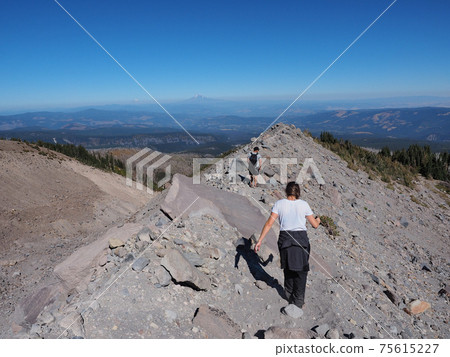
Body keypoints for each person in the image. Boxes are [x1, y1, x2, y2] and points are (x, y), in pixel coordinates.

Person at [254, 181, 320, 309]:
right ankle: (299, 301)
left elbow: (269, 224)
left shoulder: (279, 204)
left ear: (286, 191)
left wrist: (260, 240)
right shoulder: (304, 204)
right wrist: (318, 219)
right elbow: (315, 225)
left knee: (288, 267)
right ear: (298, 193)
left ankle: (288, 294)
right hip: (301, 238)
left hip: (285, 238)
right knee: (301, 270)